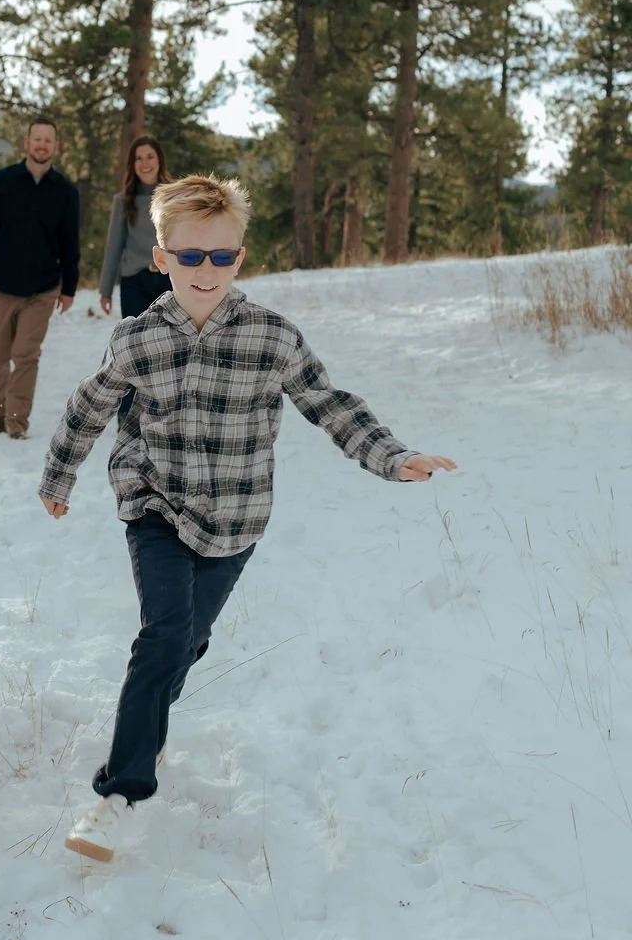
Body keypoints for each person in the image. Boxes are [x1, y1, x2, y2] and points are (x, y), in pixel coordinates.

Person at [38, 173, 456, 861]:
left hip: (236, 520)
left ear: (241, 255)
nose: (207, 271)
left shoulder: (272, 337)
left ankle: (149, 720)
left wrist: (392, 456)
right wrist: (59, 476)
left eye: (221, 256)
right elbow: (88, 406)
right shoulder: (137, 339)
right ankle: (119, 793)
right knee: (165, 632)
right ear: (162, 257)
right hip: (156, 506)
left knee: (186, 643)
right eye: (191, 256)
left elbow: (331, 403)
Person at [0, 117, 80, 441]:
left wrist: (69, 288)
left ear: (56, 147)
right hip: (0, 286)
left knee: (26, 355)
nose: (42, 144)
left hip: (42, 289)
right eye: (37, 139)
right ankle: (0, 411)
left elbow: (71, 243)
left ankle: (16, 422)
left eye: (48, 140)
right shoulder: (1, 182)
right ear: (26, 144)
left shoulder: (66, 192)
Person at [98, 136, 173, 319]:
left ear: (159, 160)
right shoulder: (123, 201)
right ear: (132, 164)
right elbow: (114, 247)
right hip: (134, 283)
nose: (144, 163)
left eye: (150, 156)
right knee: (136, 343)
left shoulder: (175, 197)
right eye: (138, 158)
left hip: (171, 280)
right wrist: (105, 290)